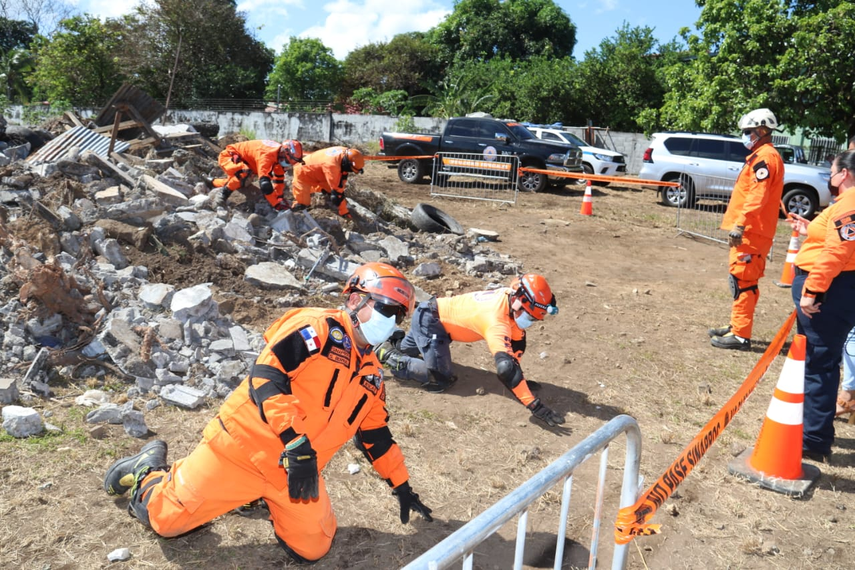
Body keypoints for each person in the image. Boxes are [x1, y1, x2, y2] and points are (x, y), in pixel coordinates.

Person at [103, 262, 433, 563]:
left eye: (398, 314)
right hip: (242, 450)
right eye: (385, 308)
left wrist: (402, 485)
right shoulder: (317, 328)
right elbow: (267, 375)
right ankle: (149, 471)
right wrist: (295, 441)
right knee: (165, 519)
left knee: (314, 547)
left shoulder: (372, 375)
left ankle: (257, 499)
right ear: (354, 300)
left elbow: (376, 436)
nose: (390, 320)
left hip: (295, 471)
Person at [376, 274, 566, 428]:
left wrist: (519, 381)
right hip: (432, 322)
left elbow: (516, 346)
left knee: (408, 350)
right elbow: (507, 369)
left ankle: (397, 344)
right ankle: (390, 357)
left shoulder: (510, 297)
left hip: (432, 315)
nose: (530, 322)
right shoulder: (495, 321)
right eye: (530, 317)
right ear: (519, 305)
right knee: (440, 378)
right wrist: (534, 405)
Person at [788, 150, 855, 461]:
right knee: (815, 361)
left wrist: (813, 290)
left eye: (832, 170)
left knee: (820, 364)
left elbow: (838, 251)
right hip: (834, 287)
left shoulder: (851, 201)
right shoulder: (845, 204)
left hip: (831, 290)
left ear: (844, 174)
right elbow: (831, 239)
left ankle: (813, 441)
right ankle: (808, 430)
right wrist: (807, 229)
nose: (829, 176)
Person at [708, 108, 785, 350]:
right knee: (739, 279)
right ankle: (736, 326)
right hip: (751, 230)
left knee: (744, 282)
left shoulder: (765, 158)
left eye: (747, 132)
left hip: (752, 231)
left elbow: (757, 195)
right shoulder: (761, 156)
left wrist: (740, 224)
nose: (745, 136)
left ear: (762, 131)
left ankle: (741, 335)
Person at [210, 139, 304, 210]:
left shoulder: (278, 154)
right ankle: (222, 195)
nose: (287, 164)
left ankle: (212, 182)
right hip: (230, 158)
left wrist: (279, 197)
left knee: (241, 182)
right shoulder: (267, 156)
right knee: (244, 174)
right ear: (284, 153)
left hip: (245, 163)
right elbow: (265, 185)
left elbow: (279, 178)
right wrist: (276, 205)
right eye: (288, 161)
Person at [291, 146, 364, 219]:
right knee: (302, 204)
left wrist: (340, 193)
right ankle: (295, 216)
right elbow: (337, 191)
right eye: (350, 170)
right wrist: (344, 211)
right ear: (347, 164)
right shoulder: (332, 165)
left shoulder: (346, 153)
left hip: (319, 171)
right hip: (302, 171)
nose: (350, 172)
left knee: (331, 191)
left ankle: (321, 190)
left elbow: (342, 178)